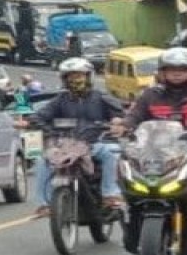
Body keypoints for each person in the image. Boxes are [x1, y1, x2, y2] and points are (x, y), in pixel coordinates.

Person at [110, 47, 187, 250]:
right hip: (155, 153)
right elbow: (133, 116)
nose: (176, 73)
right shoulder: (150, 95)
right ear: (161, 73)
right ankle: (129, 216)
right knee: (125, 167)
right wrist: (123, 126)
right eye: (170, 69)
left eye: (183, 69)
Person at [20, 58, 124, 217]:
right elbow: (39, 117)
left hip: (94, 143)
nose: (75, 80)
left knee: (110, 154)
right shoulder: (59, 100)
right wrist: (32, 123)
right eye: (71, 77)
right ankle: (43, 204)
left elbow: (119, 115)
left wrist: (117, 123)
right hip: (65, 146)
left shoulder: (101, 98)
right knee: (43, 161)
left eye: (80, 76)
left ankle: (110, 194)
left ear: (89, 76)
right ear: (65, 80)